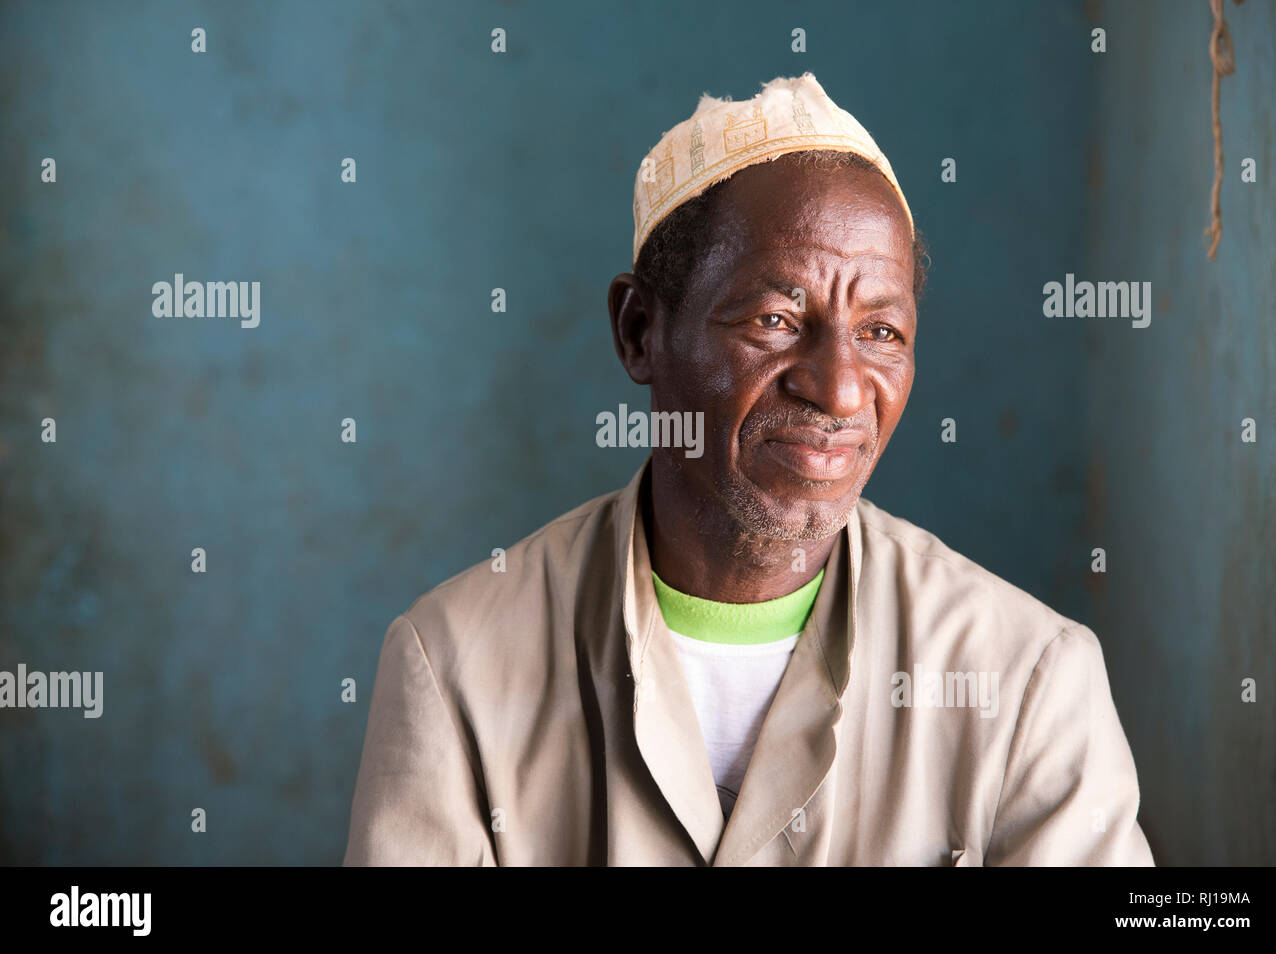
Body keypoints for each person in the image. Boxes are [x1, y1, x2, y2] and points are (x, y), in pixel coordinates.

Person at [343, 73, 1155, 866]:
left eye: (881, 333)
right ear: (640, 332)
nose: (838, 388)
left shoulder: (1027, 677)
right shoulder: (456, 666)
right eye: (774, 319)